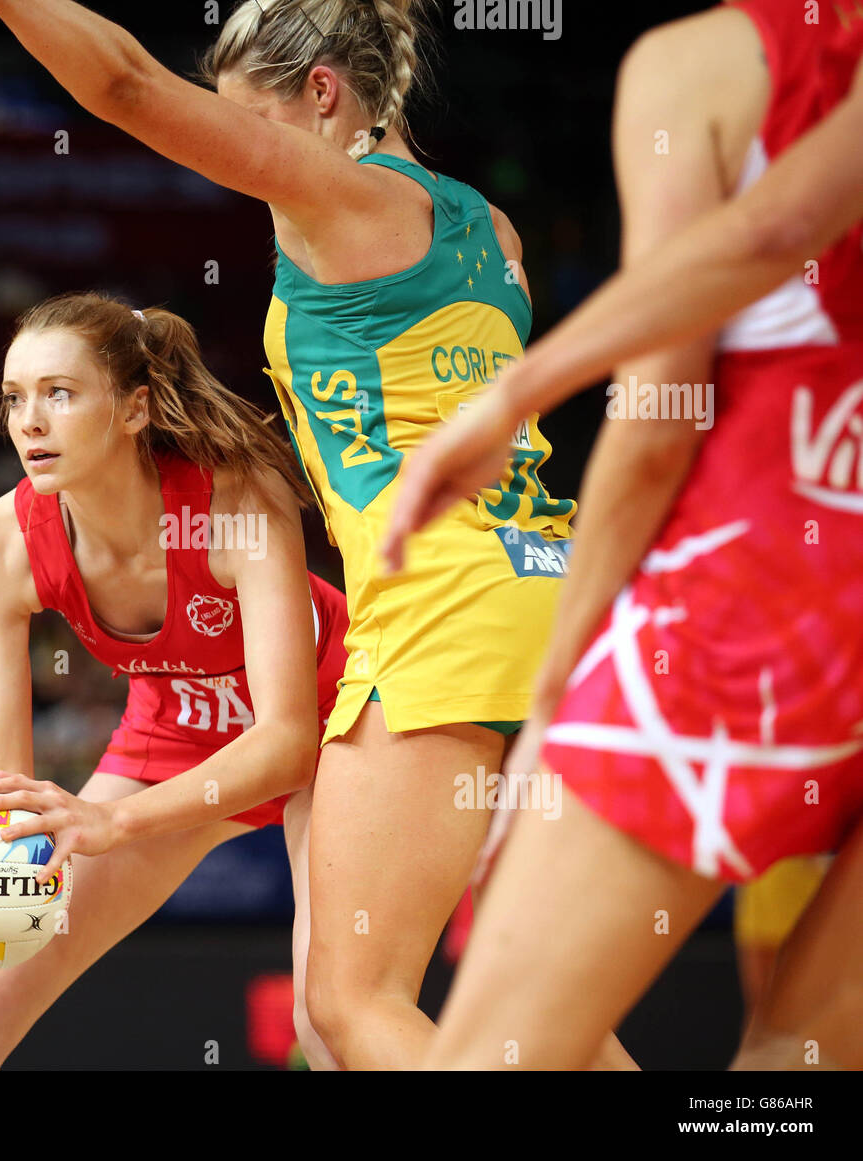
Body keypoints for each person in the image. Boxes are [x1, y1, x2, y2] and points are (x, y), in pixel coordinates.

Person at [0, 0, 634, 1071]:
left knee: (348, 1003)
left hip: (441, 607)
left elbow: (126, 88)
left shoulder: (335, 197)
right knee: (543, 1017)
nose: (247, 166)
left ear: (321, 95)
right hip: (549, 593)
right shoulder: (489, 229)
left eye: (252, 130)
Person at [384, 0, 863, 1069]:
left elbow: (662, 415)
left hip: (768, 597)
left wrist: (557, 689)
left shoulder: (698, 66)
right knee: (798, 1063)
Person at [0, 291, 349, 1070]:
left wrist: (115, 824)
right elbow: (6, 793)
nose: (29, 421)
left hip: (338, 725)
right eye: (14, 400)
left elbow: (286, 742)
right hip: (174, 735)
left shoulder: (235, 499)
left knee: (331, 1020)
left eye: (59, 394)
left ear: (136, 409)